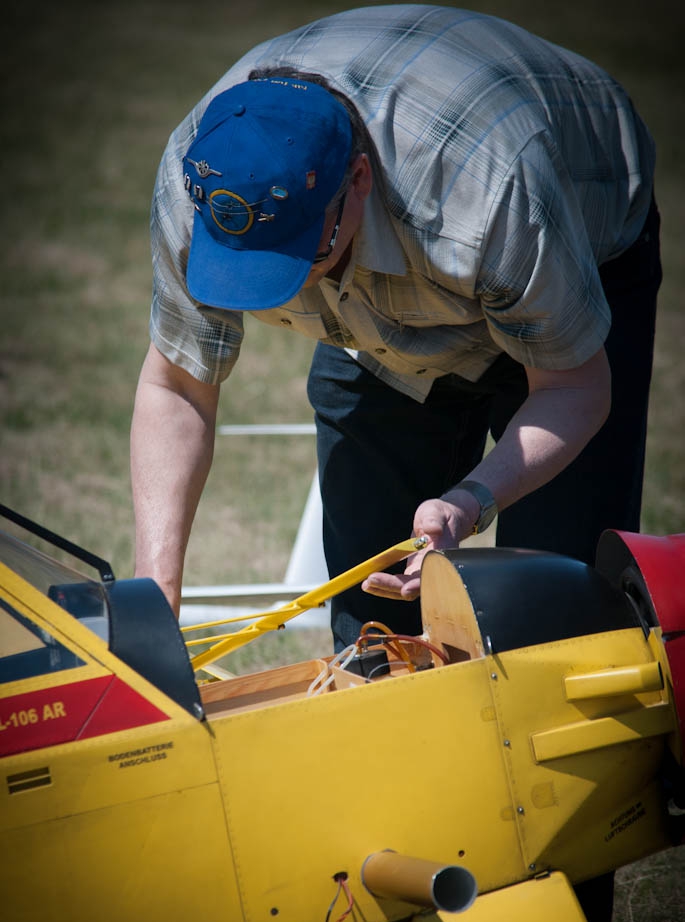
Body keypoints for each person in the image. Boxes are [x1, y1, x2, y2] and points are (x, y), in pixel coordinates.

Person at [131, 4, 661, 657]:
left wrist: (470, 499)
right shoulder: (202, 187)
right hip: (403, 293)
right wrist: (153, 602)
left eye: (304, 255)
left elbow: (574, 386)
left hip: (576, 222)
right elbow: (177, 388)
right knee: (372, 625)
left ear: (356, 181)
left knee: (561, 615)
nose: (289, 289)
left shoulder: (487, 192)